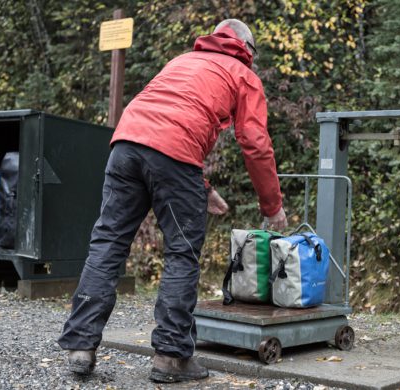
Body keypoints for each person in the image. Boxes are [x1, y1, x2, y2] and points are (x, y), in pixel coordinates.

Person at [57, 19, 287, 383]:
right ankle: (171, 357)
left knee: (108, 243)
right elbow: (255, 144)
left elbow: (166, 123)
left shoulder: (180, 61)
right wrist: (272, 207)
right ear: (248, 49)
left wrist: (204, 187)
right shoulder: (243, 75)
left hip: (126, 145)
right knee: (182, 254)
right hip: (173, 157)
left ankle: (80, 347)